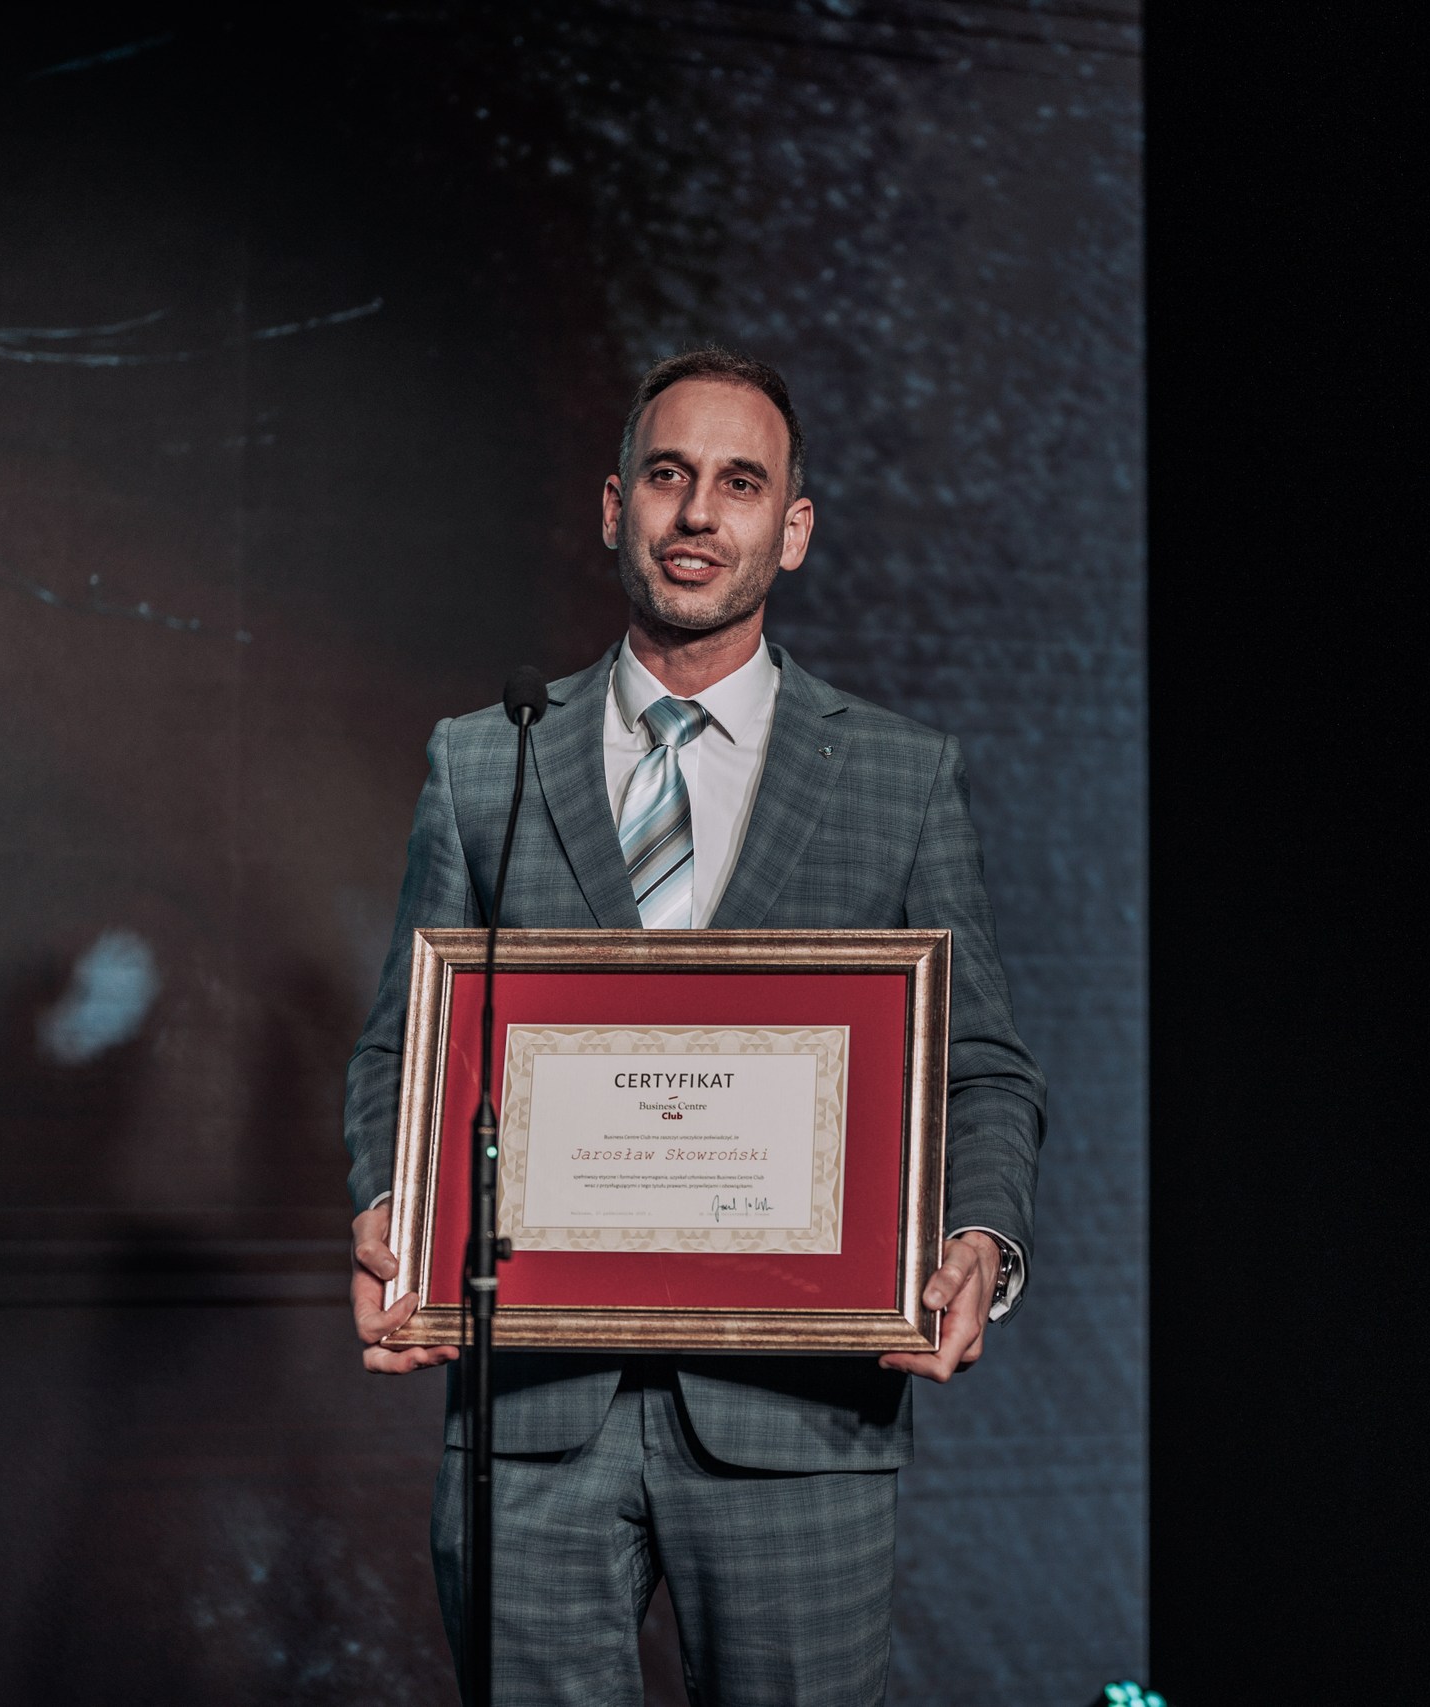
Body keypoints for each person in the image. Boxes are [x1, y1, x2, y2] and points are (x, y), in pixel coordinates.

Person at [341, 348, 1044, 1706]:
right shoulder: (485, 758)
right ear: (617, 508)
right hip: (530, 1422)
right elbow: (399, 1050)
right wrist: (390, 1207)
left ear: (795, 527)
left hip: (802, 1421)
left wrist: (979, 1241)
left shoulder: (900, 776)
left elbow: (981, 1067)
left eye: (741, 483)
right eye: (668, 476)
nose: (700, 515)